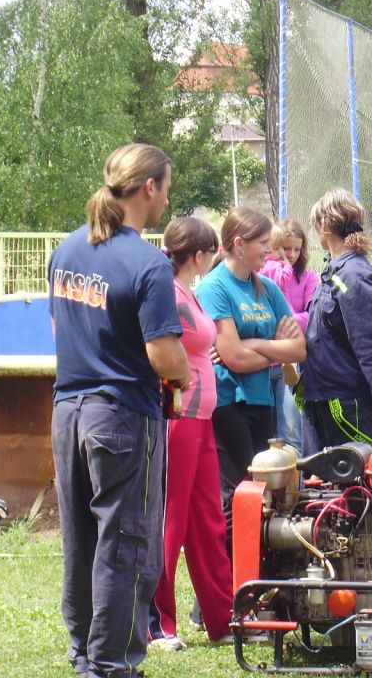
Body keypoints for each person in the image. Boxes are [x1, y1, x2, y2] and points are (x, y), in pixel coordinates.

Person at [49, 143, 191, 678]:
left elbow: (60, 330)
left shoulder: (66, 250)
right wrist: (185, 374)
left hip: (68, 411)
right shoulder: (149, 264)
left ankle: (84, 651)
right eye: (167, 189)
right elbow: (162, 352)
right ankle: (112, 663)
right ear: (149, 187)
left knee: (81, 536)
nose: (166, 200)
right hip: (123, 416)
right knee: (127, 539)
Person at [148, 217, 232, 650]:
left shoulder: (188, 292)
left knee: (208, 520)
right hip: (178, 417)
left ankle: (222, 618)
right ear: (198, 256)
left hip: (201, 419)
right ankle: (160, 623)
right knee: (172, 520)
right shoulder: (167, 291)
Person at [195, 207, 305, 504]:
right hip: (228, 402)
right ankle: (234, 551)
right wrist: (273, 346)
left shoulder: (267, 288)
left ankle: (259, 551)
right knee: (239, 491)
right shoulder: (214, 287)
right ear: (240, 244)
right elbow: (234, 359)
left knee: (263, 491)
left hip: (263, 400)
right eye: (263, 242)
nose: (270, 250)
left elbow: (298, 349)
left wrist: (254, 343)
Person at [302, 189, 372, 448]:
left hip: (345, 406)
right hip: (325, 399)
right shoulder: (337, 270)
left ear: (323, 225)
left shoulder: (353, 275)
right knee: (322, 486)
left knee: (354, 487)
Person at [258, 219, 318, 452]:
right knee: (265, 433)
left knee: (291, 430)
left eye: (296, 249)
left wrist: (287, 322)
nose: (291, 254)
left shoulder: (308, 278)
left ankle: (297, 484)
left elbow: (313, 314)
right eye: (285, 248)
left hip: (289, 362)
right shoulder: (264, 271)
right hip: (262, 361)